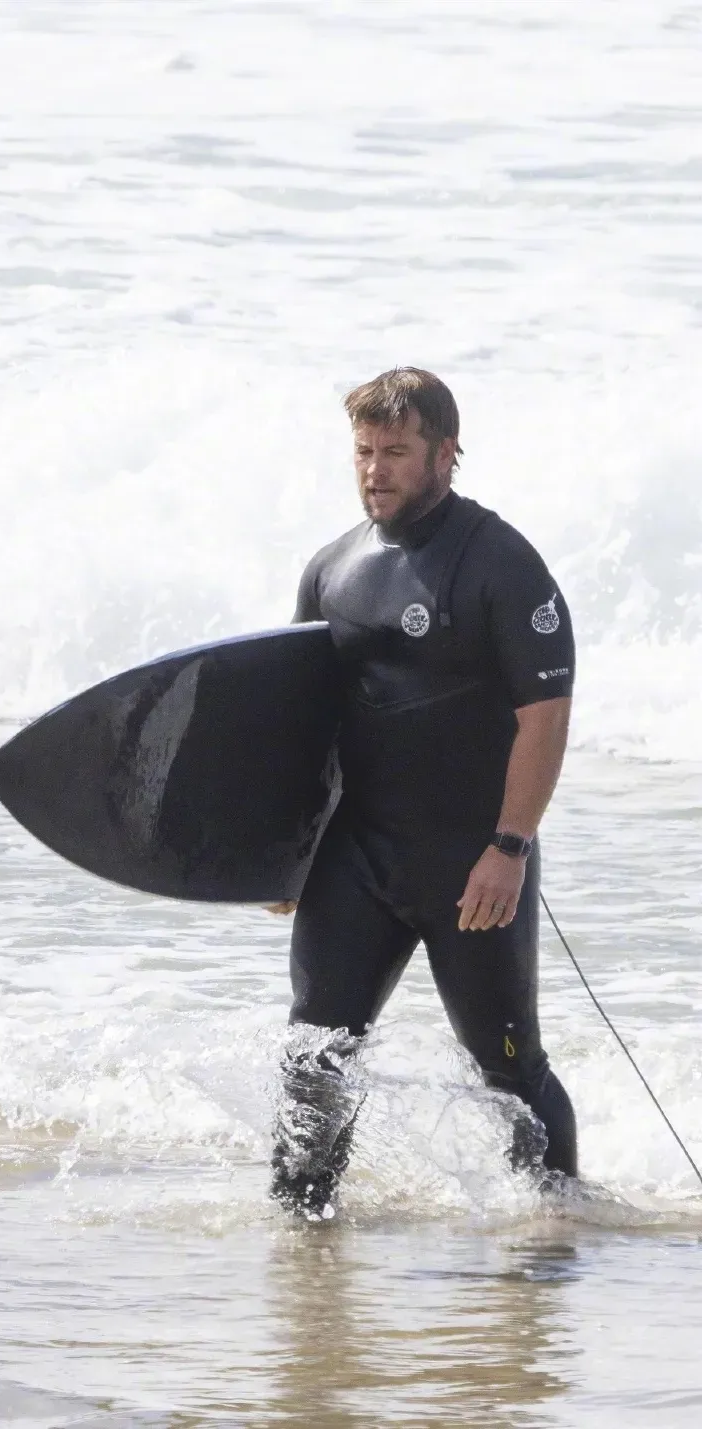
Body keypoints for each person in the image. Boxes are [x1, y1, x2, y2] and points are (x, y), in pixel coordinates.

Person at [269, 367, 577, 1218]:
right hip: (356, 859)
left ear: (446, 453)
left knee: (508, 1065)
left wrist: (509, 848)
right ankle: (303, 1235)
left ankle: (554, 1229)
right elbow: (301, 719)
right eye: (364, 451)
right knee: (315, 1052)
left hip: (473, 864)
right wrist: (283, 857)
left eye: (395, 452)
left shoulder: (500, 564)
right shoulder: (332, 568)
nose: (375, 469)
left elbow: (545, 716)